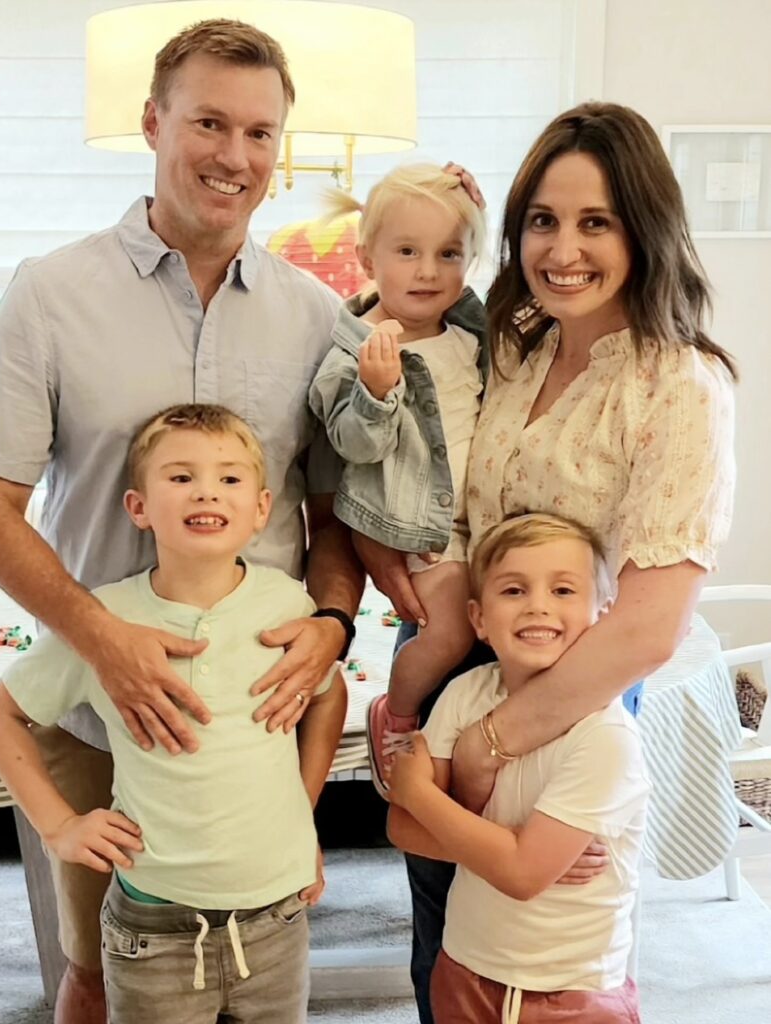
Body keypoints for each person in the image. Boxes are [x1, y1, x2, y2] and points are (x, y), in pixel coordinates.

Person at [0, 20, 366, 1024]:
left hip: (252, 723)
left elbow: (337, 513)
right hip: (95, 715)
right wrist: (104, 642)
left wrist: (331, 627)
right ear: (153, 122)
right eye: (210, 123)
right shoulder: (50, 295)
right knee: (100, 971)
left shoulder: (318, 315)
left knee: (258, 964)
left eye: (261, 133)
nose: (236, 157)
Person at [355, 101, 737, 1023]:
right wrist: (436, 219)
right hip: (456, 663)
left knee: (547, 962)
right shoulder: (513, 345)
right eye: (542, 221)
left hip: (570, 698)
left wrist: (494, 741)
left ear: (644, 230)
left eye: (594, 222)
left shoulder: (678, 385)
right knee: (445, 942)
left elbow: (649, 627)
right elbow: (390, 315)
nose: (562, 250)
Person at [0, 403, 347, 1024]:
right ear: (139, 507)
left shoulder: (289, 604)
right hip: (153, 928)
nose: (206, 490)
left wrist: (300, 817)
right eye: (181, 476)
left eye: (229, 478)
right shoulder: (104, 622)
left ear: (261, 509)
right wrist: (59, 826)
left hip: (278, 917)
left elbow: (327, 694)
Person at [387, 513, 649, 1024]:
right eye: (513, 590)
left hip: (571, 993)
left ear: (603, 614)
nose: (538, 606)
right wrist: (510, 847)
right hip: (464, 968)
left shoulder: (605, 736)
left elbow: (523, 875)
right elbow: (402, 829)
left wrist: (418, 792)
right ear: (478, 618)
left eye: (564, 590)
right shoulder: (466, 695)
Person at [309, 164, 487, 797]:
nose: (428, 271)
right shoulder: (354, 349)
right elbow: (348, 445)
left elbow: (509, 306)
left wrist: (475, 210)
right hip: (418, 528)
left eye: (449, 254)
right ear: (366, 256)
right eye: (407, 252)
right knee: (450, 631)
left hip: (484, 523)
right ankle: (399, 713)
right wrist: (375, 394)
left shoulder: (468, 334)